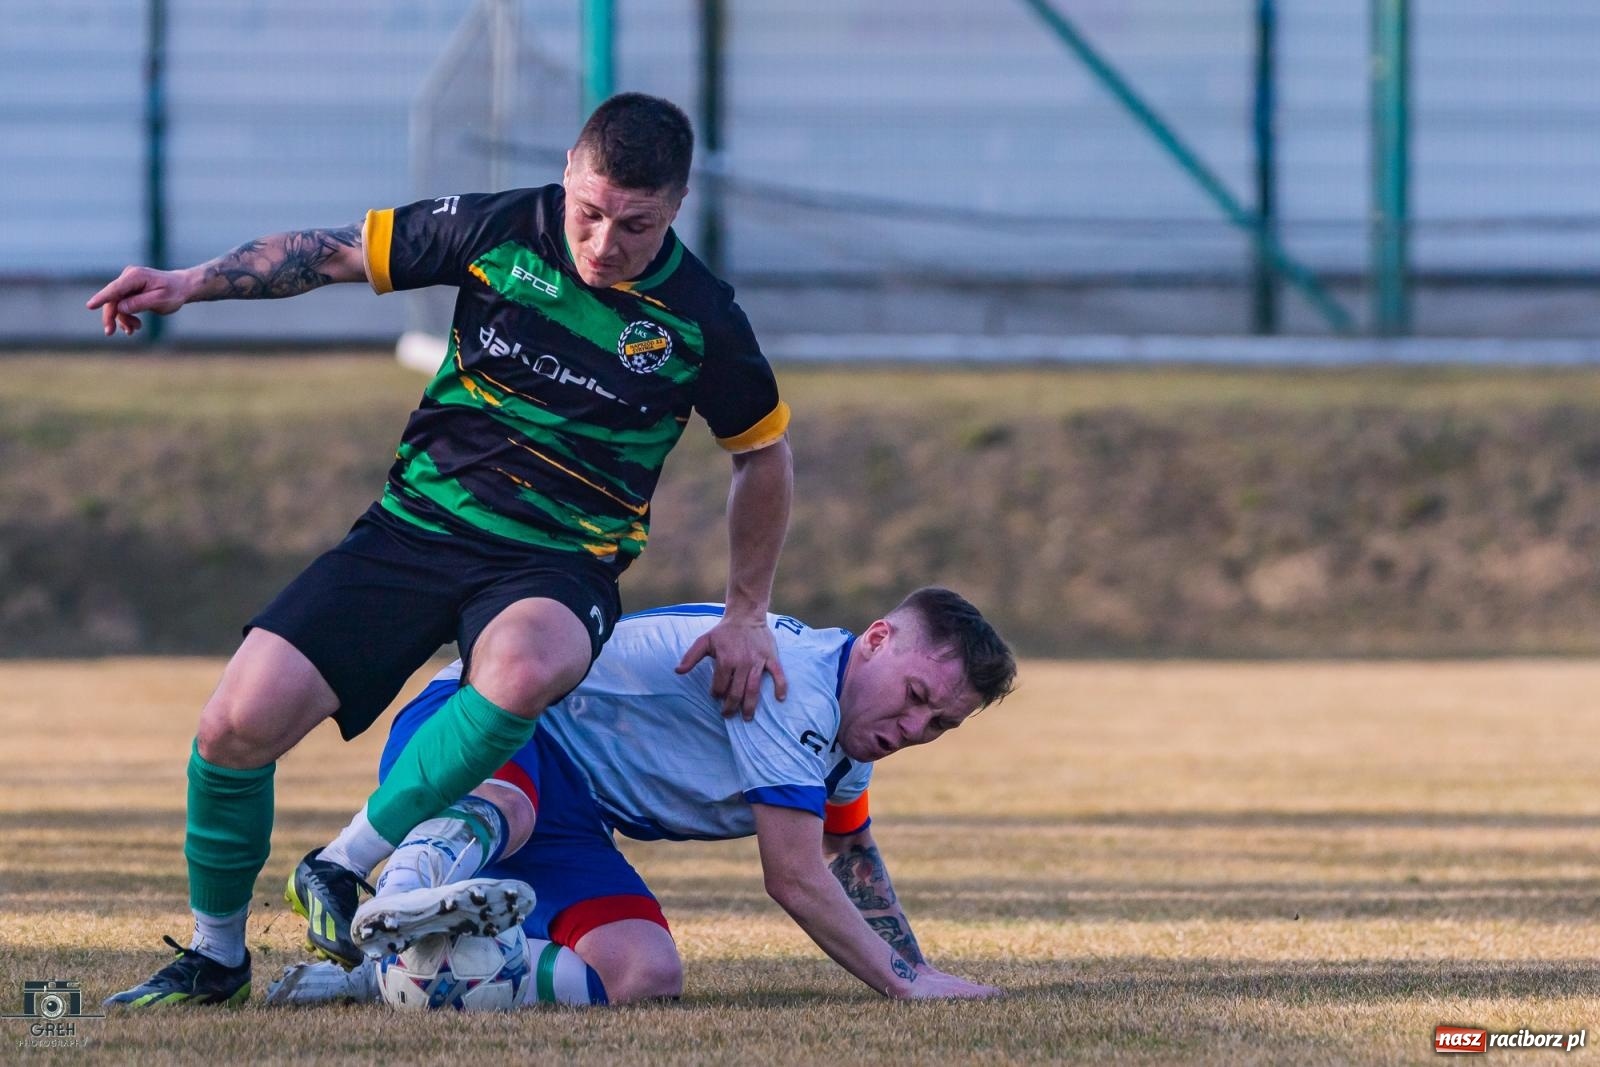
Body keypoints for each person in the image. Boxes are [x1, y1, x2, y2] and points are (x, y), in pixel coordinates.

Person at [91, 93, 795, 1008]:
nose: (605, 242)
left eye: (636, 225)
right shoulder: (501, 227)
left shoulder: (701, 317)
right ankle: (217, 955)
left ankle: (344, 865)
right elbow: (333, 251)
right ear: (569, 176)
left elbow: (763, 455)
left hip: (558, 559)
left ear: (676, 209)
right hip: (415, 530)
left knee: (529, 659)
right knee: (234, 723)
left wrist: (747, 611)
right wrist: (191, 283)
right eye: (589, 212)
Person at [267, 588, 1016, 1006]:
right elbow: (793, 874)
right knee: (517, 803)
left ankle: (387, 974)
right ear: (879, 638)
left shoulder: (846, 742)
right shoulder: (797, 687)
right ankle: (403, 889)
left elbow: (847, 849)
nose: (916, 727)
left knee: (643, 976)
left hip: (578, 812)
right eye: (917, 696)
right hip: (481, 720)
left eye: (941, 723)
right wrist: (904, 983)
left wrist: (920, 966)